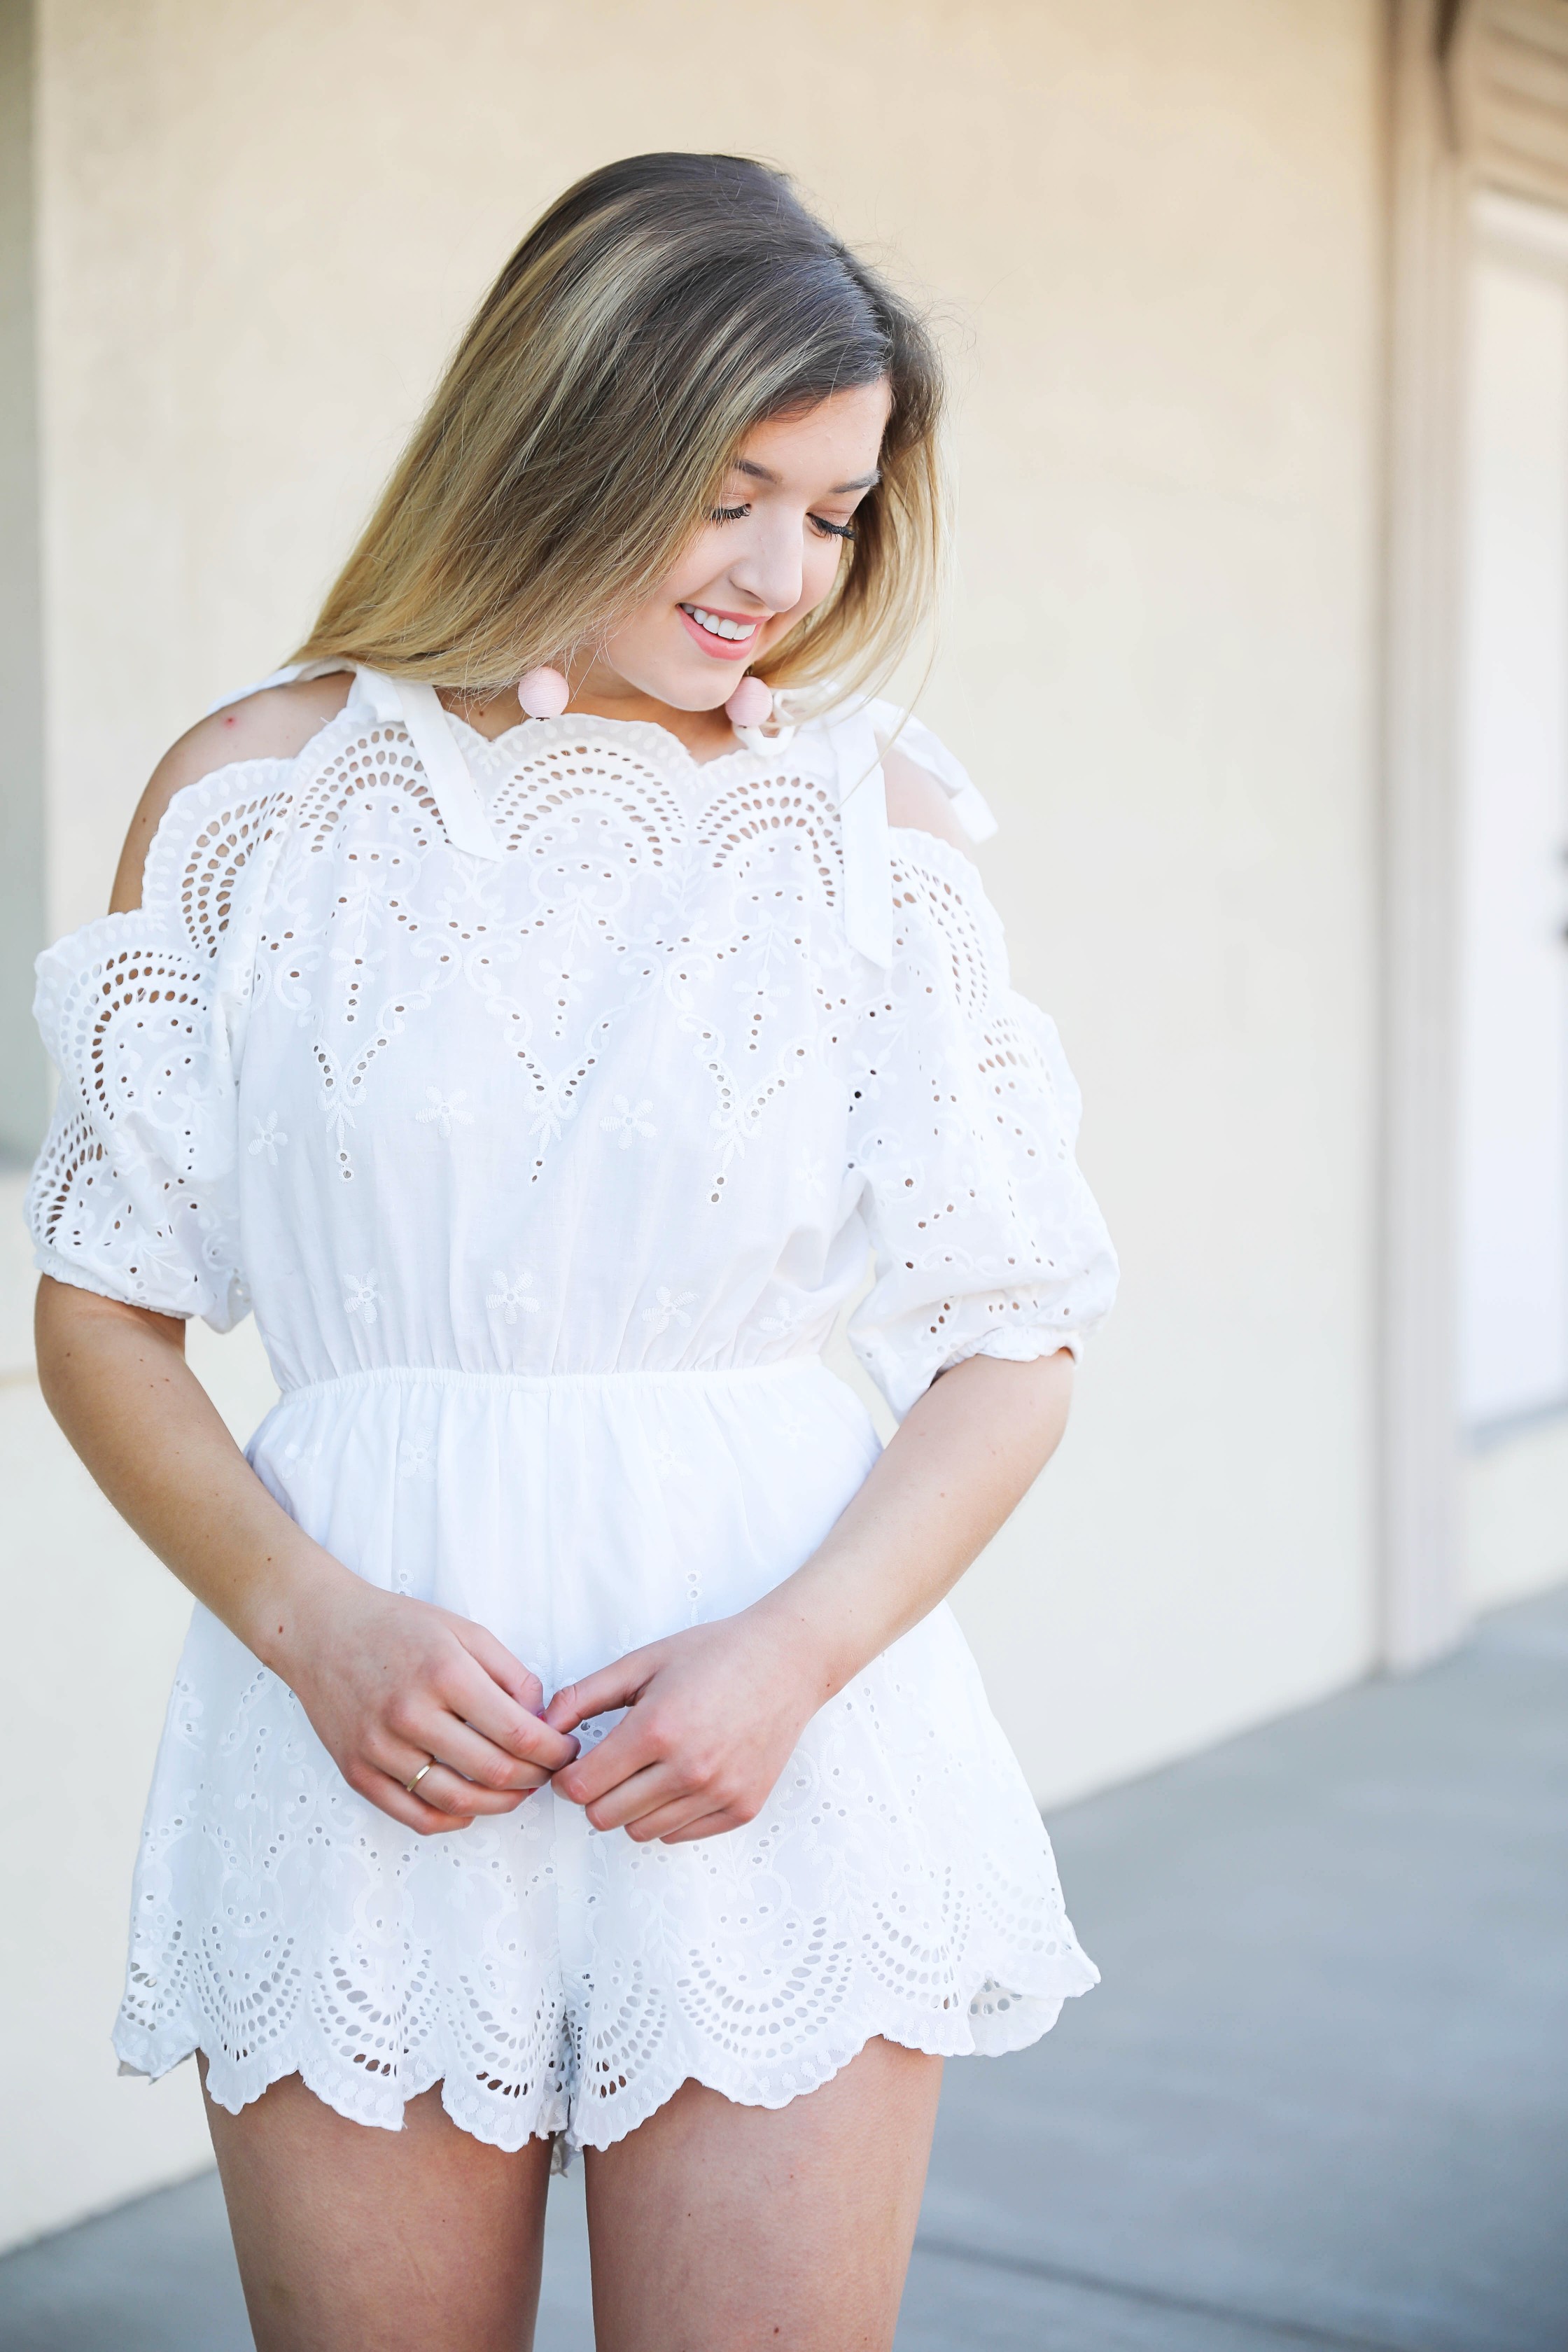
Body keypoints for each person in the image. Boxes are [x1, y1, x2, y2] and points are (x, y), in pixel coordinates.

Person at [27, 151, 1117, 2352]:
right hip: (355, 1747)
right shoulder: (253, 796)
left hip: (770, 1743)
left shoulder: (872, 835)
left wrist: (795, 1658)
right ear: (565, 426)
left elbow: (1017, 1344)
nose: (783, 575)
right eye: (735, 490)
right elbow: (100, 1317)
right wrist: (302, 1618)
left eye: (835, 511)